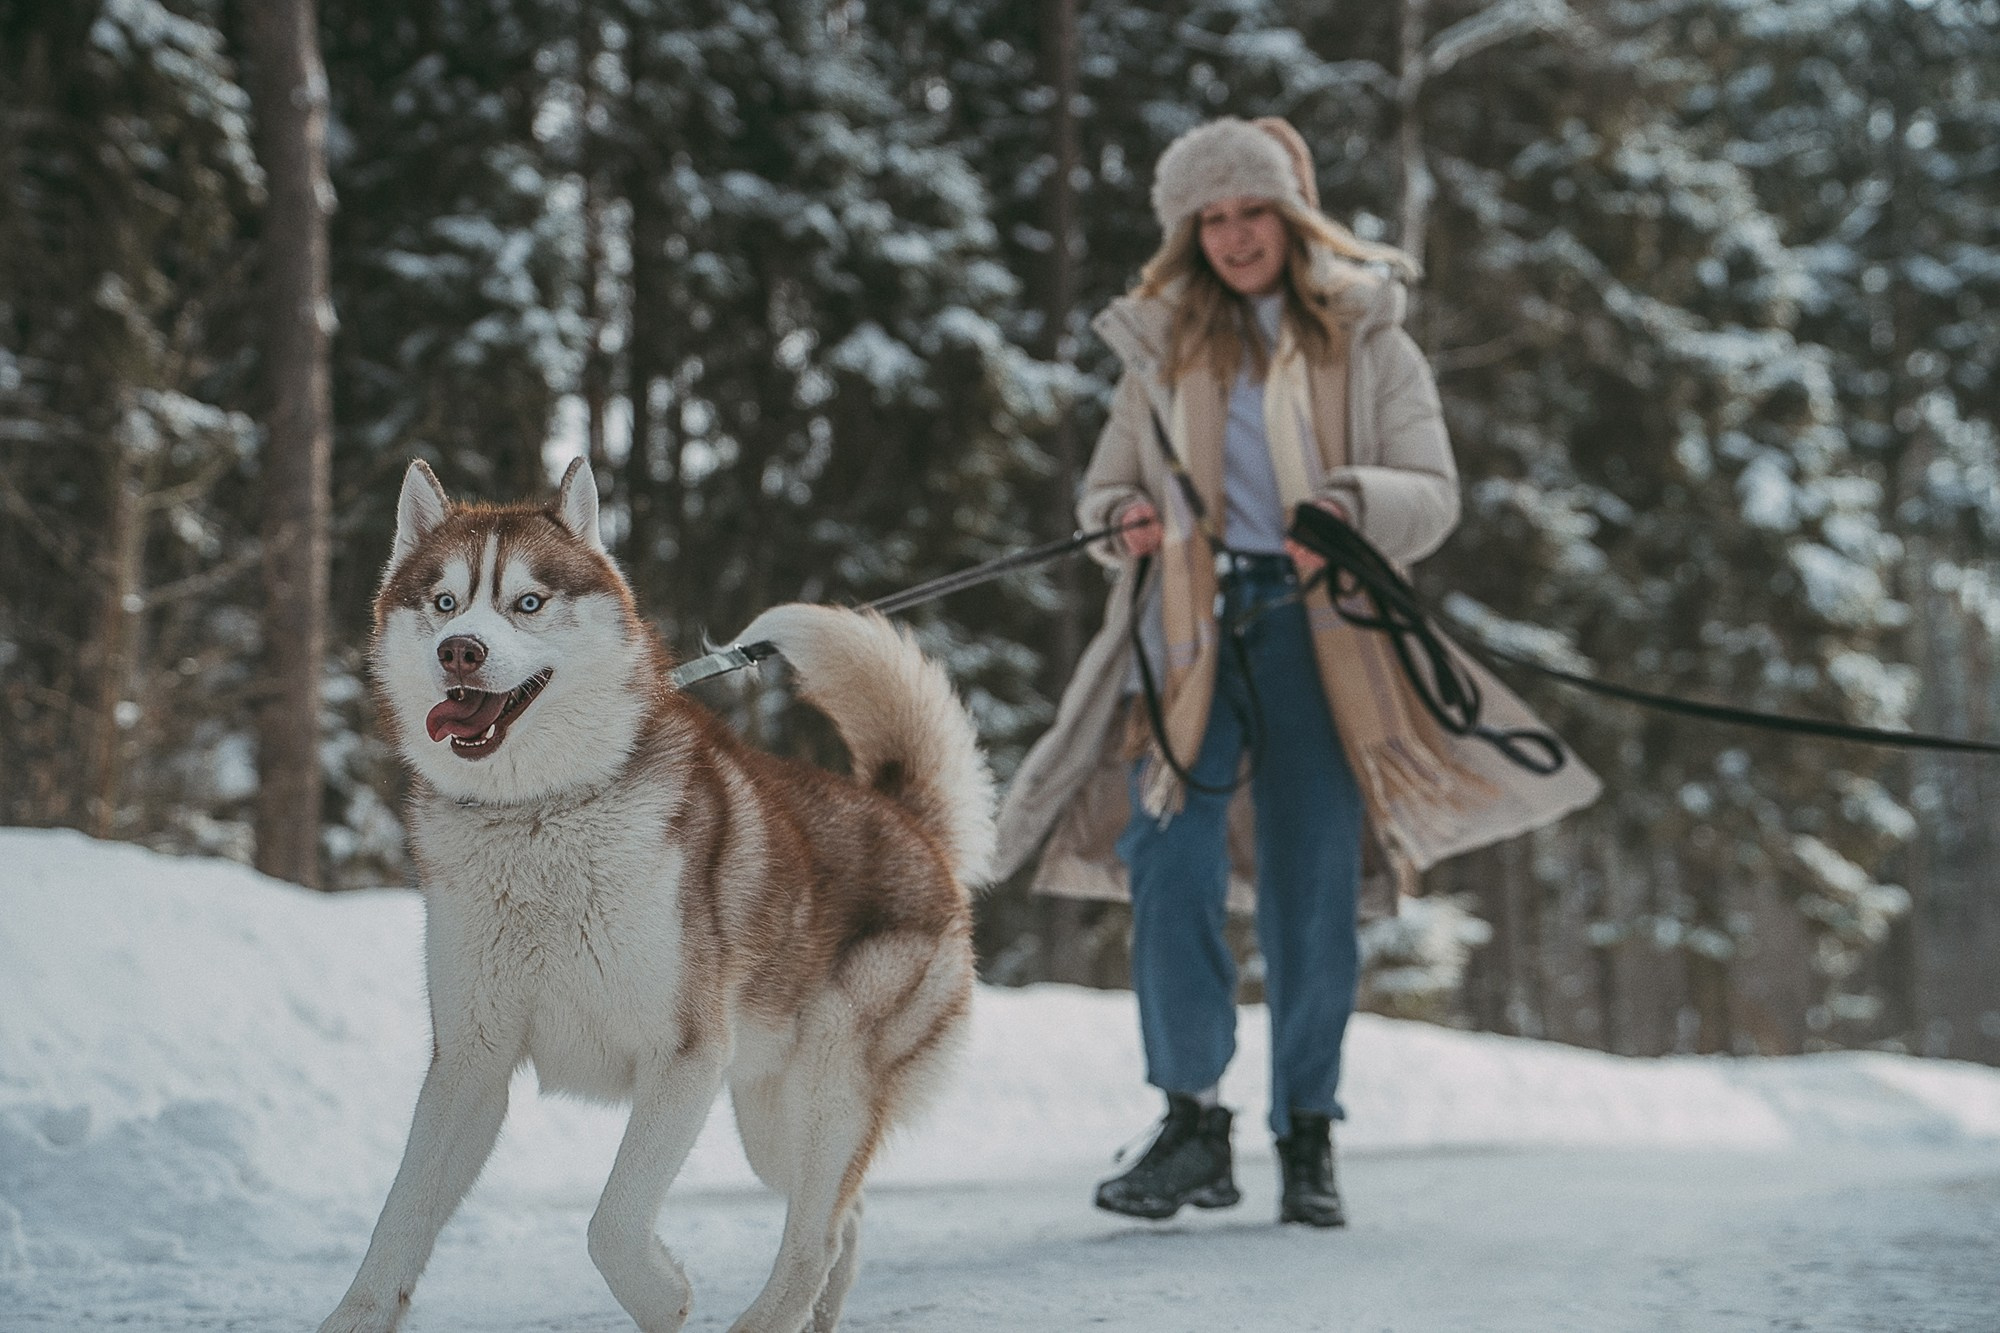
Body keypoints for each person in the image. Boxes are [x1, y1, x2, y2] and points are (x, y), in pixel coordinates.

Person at [991, 116, 1601, 1227]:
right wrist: (1117, 518)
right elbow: (1100, 494)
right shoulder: (1162, 344)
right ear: (1187, 233)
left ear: (1289, 214)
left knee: (1309, 882)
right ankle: (1189, 1120)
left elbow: (1432, 489)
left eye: (1248, 212)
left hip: (1323, 635)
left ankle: (1307, 1130)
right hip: (1188, 627)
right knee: (1163, 850)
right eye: (1208, 219)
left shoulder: (1368, 340)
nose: (1231, 237)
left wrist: (1353, 503)